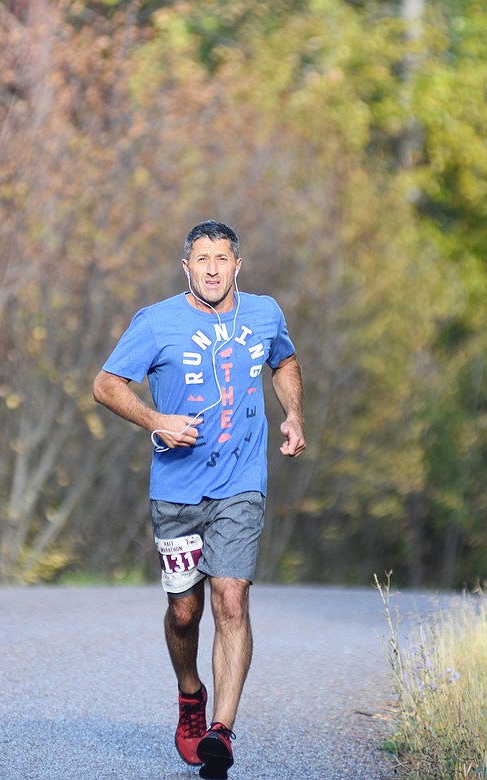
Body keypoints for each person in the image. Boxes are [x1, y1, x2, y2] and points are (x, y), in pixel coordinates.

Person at [92, 220, 305, 779]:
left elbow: (283, 361)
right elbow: (107, 384)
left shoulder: (264, 314)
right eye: (202, 259)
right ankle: (191, 694)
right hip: (176, 492)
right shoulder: (157, 321)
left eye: (222, 258)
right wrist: (155, 419)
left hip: (241, 485)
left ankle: (222, 731)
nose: (212, 268)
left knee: (230, 600)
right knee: (184, 613)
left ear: (239, 265)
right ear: (186, 267)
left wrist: (293, 416)